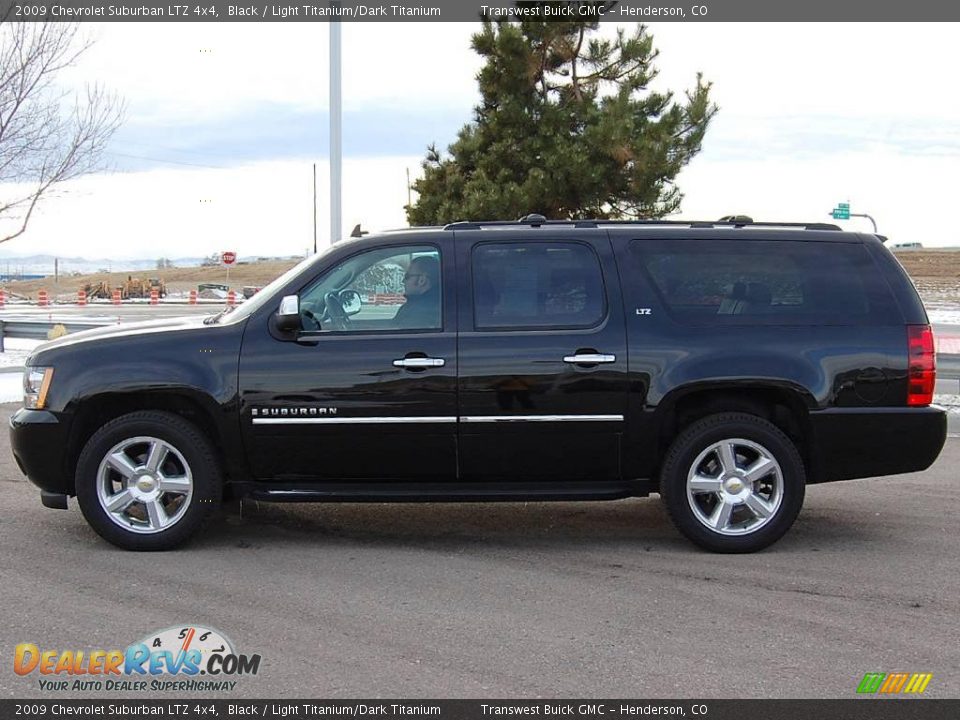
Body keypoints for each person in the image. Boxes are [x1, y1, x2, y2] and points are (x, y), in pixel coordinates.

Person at [393, 255, 441, 329]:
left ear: (422, 280)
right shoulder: (435, 304)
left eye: (407, 276)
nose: (403, 281)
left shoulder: (421, 312)